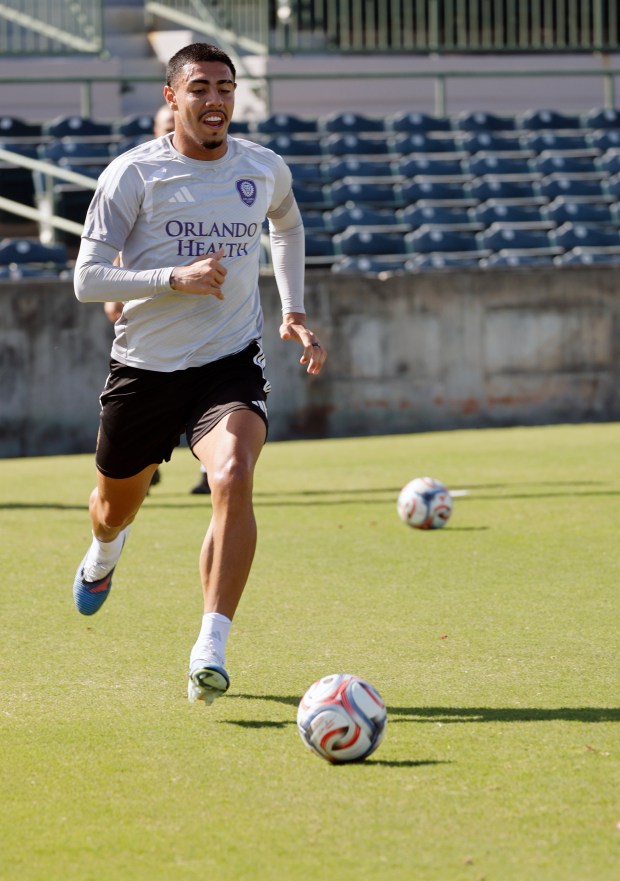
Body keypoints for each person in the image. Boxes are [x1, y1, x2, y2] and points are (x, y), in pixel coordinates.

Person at [71, 42, 327, 708]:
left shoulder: (262, 167)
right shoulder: (131, 174)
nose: (215, 100)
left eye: (225, 88)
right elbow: (86, 279)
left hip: (227, 364)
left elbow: (289, 226)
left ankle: (209, 647)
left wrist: (294, 307)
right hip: (144, 371)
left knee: (234, 472)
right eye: (200, 89)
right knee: (109, 510)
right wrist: (169, 278)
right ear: (172, 98)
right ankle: (104, 552)